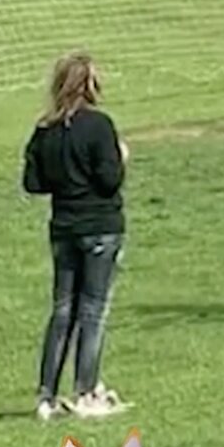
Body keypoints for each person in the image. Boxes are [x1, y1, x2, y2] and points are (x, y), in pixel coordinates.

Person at [23, 52, 131, 420]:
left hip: (63, 228)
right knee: (93, 311)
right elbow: (109, 179)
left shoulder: (44, 130)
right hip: (99, 226)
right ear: (89, 84)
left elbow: (33, 182)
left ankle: (46, 394)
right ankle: (86, 390)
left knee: (62, 310)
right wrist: (119, 157)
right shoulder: (99, 126)